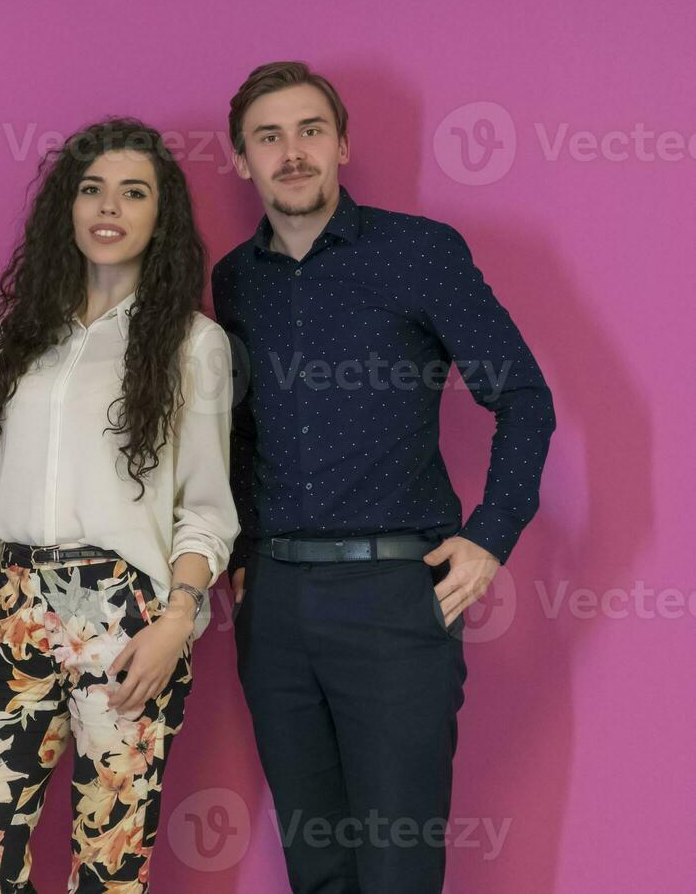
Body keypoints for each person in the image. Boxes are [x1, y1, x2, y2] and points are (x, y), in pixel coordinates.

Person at [212, 61, 557, 892]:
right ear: (239, 159)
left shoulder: (418, 252)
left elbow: (524, 397)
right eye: (268, 137)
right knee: (316, 865)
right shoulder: (232, 281)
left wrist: (489, 537)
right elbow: (240, 430)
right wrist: (244, 555)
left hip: (397, 597)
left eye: (308, 132)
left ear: (341, 145)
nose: (290, 153)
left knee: (397, 868)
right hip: (277, 612)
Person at [0, 119, 240, 893]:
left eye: (132, 192)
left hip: (126, 614)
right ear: (65, 208)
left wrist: (175, 621)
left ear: (158, 215)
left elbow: (205, 504)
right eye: (91, 189)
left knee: (110, 867)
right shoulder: (17, 339)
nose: (108, 207)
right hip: (12, 607)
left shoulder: (190, 344)